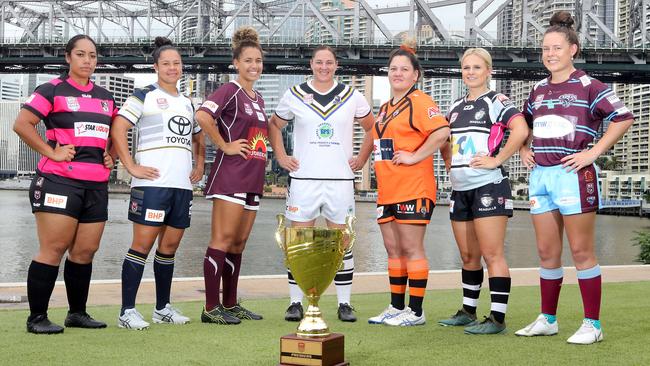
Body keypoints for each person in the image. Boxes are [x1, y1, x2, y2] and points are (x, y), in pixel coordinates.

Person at [514, 11, 634, 344]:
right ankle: (548, 319)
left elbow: (622, 117)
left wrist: (593, 153)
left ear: (573, 50)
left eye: (556, 48)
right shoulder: (537, 90)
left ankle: (592, 324)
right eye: (544, 49)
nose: (549, 54)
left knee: (581, 251)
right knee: (545, 252)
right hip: (541, 176)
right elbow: (520, 124)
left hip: (573, 175)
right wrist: (524, 147)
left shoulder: (588, 85)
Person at [13, 34, 116, 334]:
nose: (87, 61)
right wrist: (52, 152)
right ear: (68, 57)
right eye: (81, 54)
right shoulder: (51, 89)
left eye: (93, 56)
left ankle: (77, 314)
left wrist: (110, 155)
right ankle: (37, 318)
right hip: (59, 181)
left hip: (96, 185)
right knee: (53, 248)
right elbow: (22, 124)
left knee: (85, 251)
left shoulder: (106, 97)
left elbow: (109, 135)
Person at [268, 45, 375, 323]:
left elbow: (372, 128)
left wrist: (362, 157)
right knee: (299, 242)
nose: (324, 67)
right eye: (319, 62)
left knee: (343, 243)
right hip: (304, 179)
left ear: (336, 65)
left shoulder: (352, 96)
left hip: (340, 179)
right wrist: (281, 156)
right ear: (311, 64)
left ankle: (345, 304)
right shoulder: (294, 94)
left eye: (329, 62)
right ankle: (295, 302)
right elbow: (274, 125)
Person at [111, 37, 204, 330]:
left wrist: (199, 165)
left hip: (181, 186)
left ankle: (162, 308)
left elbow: (199, 136)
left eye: (176, 63)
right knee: (142, 245)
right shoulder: (143, 95)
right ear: (156, 67)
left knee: (170, 247)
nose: (172, 68)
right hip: (151, 185)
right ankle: (127, 311)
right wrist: (130, 165)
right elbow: (119, 128)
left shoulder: (188, 102)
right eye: (166, 63)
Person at [437, 48, 528, 334]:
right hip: (460, 190)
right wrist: (450, 164)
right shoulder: (454, 106)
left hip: (488, 186)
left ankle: (497, 319)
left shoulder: (496, 101)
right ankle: (468, 311)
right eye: (466, 68)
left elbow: (521, 129)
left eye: (477, 67)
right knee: (468, 256)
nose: (471, 72)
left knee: (492, 254)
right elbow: (444, 141)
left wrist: (497, 160)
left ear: (488, 71)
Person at [368, 40, 450, 326]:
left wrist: (416, 156)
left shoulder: (420, 101)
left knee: (412, 249)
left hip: (413, 186)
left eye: (404, 69)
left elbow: (441, 133)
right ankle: (396, 306)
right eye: (393, 69)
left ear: (415, 75)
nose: (398, 73)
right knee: (393, 250)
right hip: (387, 188)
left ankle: (416, 311)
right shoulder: (386, 106)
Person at [195, 26, 266, 325]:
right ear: (236, 63)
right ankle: (211, 308)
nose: (254, 66)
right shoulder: (230, 90)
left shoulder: (258, 98)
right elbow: (202, 116)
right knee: (222, 240)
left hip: (253, 177)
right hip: (231, 175)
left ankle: (231, 303)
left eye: (258, 61)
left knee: (238, 245)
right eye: (248, 60)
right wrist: (223, 144)